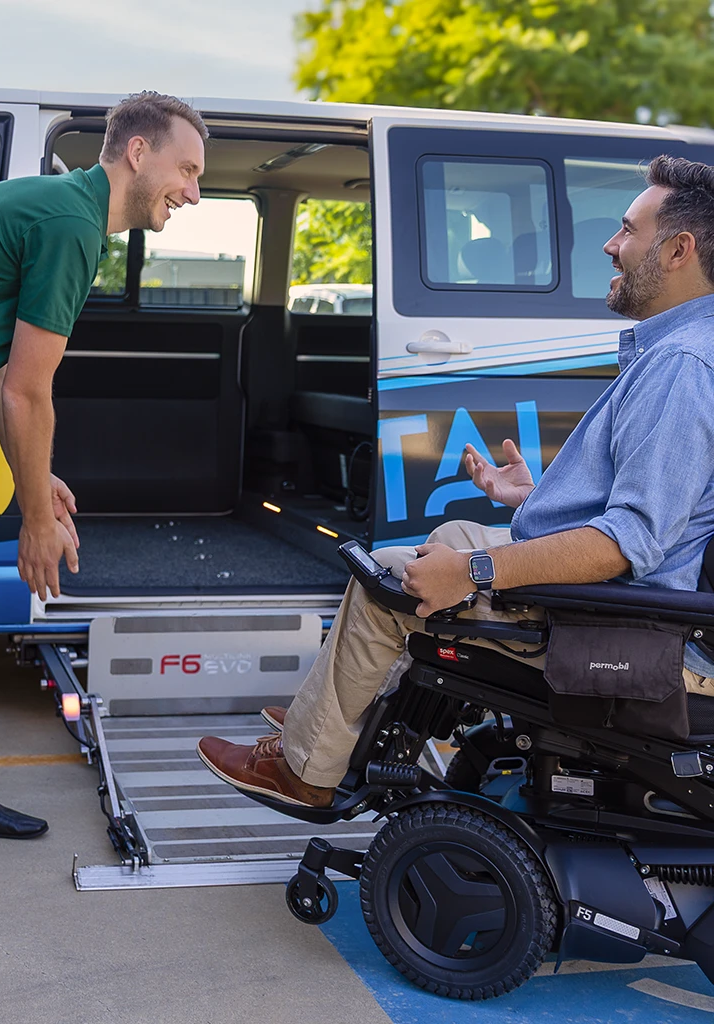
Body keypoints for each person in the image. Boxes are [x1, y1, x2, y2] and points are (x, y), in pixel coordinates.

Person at [199, 153, 714, 808]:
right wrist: (534, 497)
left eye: (627, 231)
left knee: (388, 577)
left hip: (623, 622)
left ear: (678, 249)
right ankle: (332, 717)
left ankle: (307, 771)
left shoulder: (684, 365)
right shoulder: (681, 347)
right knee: (448, 533)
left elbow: (628, 544)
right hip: (615, 591)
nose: (611, 246)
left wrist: (472, 572)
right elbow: (666, 506)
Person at [0, 91, 207, 837]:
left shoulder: (74, 217)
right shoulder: (70, 222)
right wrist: (34, 520)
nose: (193, 191)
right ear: (136, 153)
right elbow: (28, 390)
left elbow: (2, 377)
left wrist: (39, 474)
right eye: (185, 170)